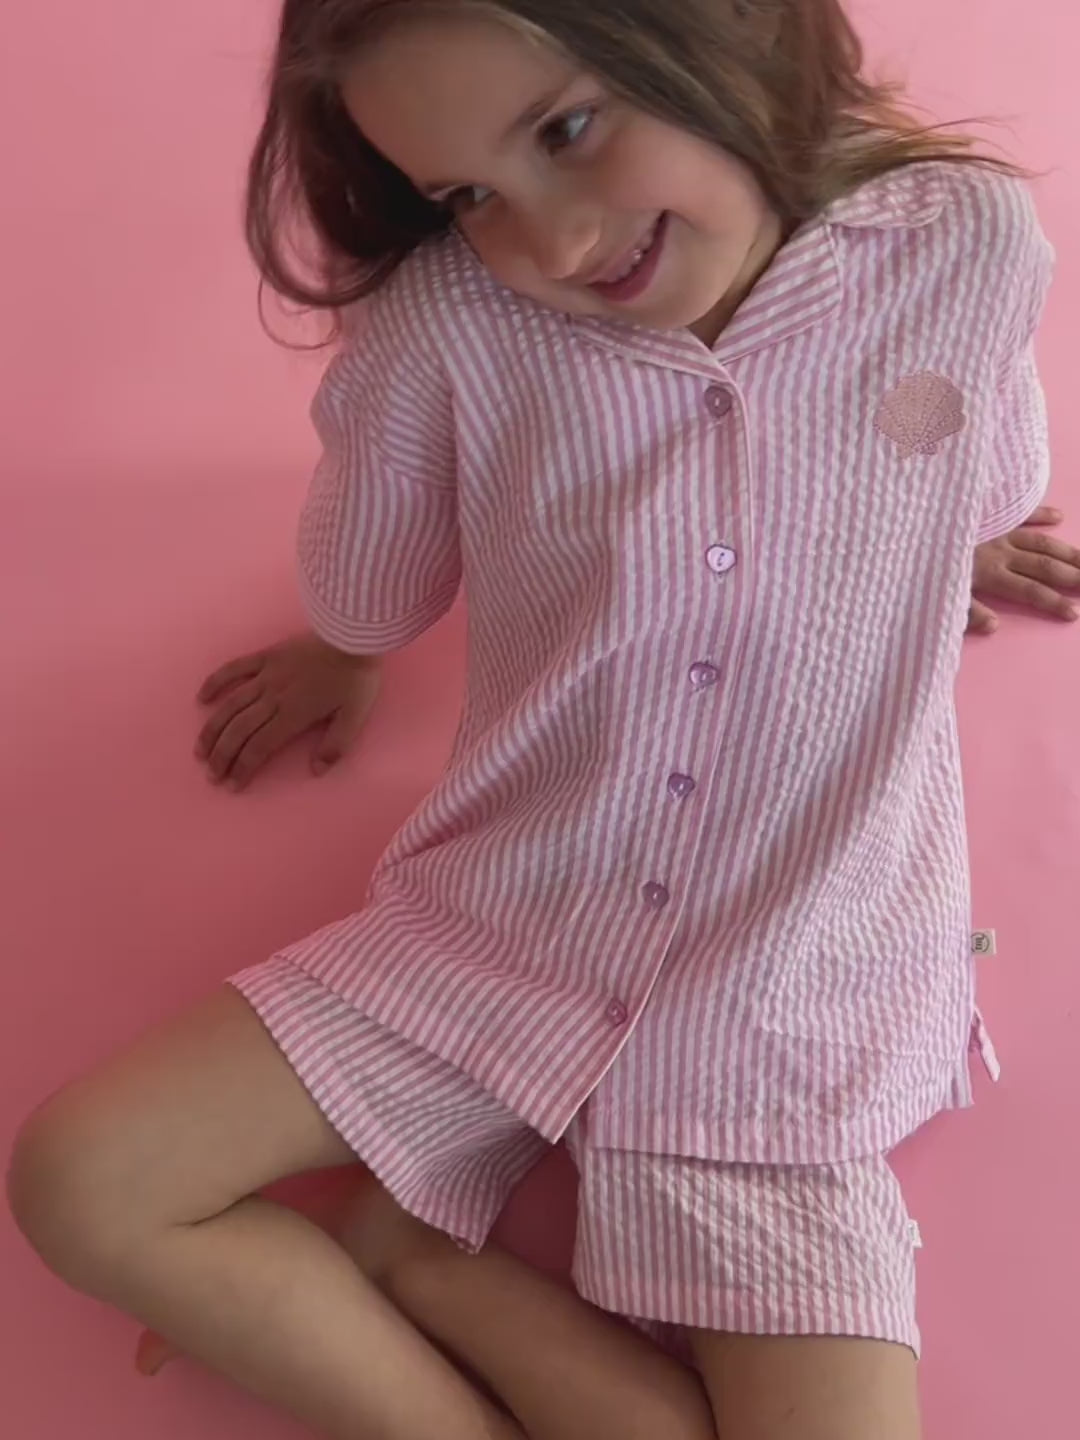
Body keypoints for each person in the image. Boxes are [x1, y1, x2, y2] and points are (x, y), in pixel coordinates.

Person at [8, 3, 1077, 1438]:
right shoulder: (448, 318)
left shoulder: (959, 242)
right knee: (86, 1182)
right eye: (467, 195)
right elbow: (375, 564)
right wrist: (345, 650)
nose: (554, 243)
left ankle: (419, 1265)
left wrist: (957, 538)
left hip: (790, 994)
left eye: (569, 129)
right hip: (510, 926)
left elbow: (980, 459)